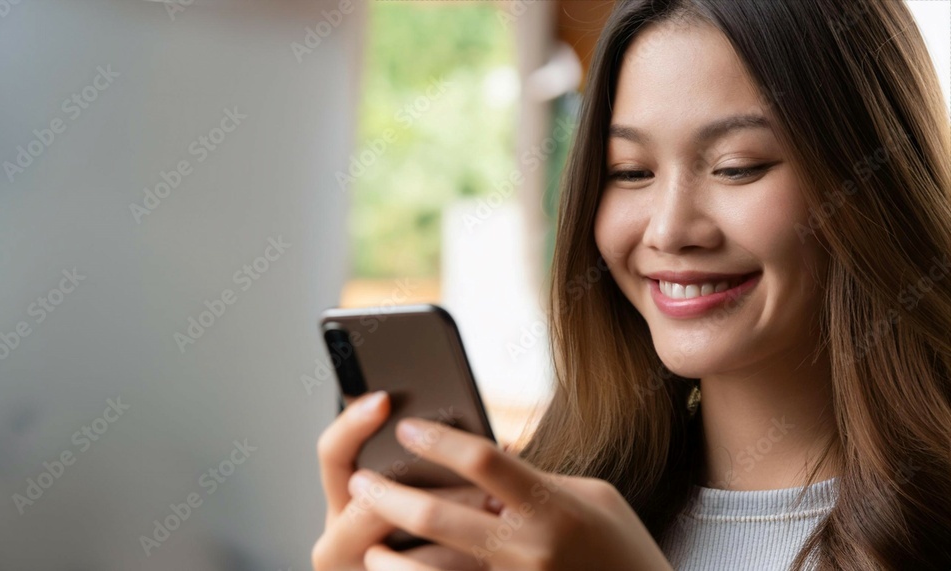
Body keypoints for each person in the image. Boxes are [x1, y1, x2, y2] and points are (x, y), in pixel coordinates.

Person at [312, 0, 951, 569]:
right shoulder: (535, 530)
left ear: (874, 179)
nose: (670, 230)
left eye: (737, 168)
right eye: (631, 172)